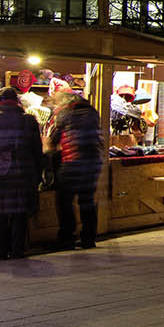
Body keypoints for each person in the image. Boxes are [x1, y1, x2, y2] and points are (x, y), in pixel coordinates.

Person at [0, 87, 43, 260]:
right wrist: (37, 174)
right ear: (17, 101)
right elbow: (37, 151)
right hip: (24, 174)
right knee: (20, 214)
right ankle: (18, 250)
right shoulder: (29, 120)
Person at [46, 90, 104, 250]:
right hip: (93, 161)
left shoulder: (66, 113)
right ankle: (88, 238)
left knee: (64, 200)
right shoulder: (93, 113)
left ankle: (66, 237)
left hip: (73, 161)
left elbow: (54, 139)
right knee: (87, 201)